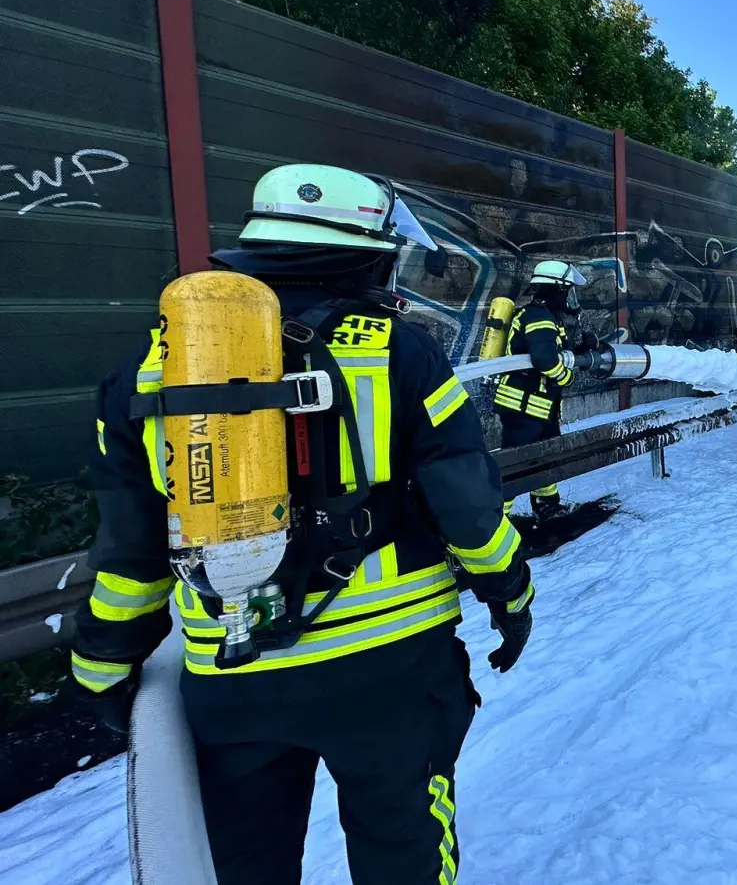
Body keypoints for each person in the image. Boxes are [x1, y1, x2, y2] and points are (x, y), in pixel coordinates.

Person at [68, 164, 533, 885]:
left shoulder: (151, 367)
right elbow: (468, 505)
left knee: (249, 868)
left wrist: (103, 665)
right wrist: (510, 593)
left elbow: (130, 549)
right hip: (394, 670)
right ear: (366, 250)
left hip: (234, 676)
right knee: (405, 851)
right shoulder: (400, 350)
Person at [491, 260, 596, 522]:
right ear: (556, 290)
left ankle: (547, 506)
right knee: (514, 466)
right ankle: (494, 523)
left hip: (539, 406)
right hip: (522, 407)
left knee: (544, 458)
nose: (569, 297)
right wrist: (566, 377)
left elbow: (553, 351)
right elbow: (544, 358)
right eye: (567, 291)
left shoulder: (544, 316)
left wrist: (581, 350)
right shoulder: (539, 317)